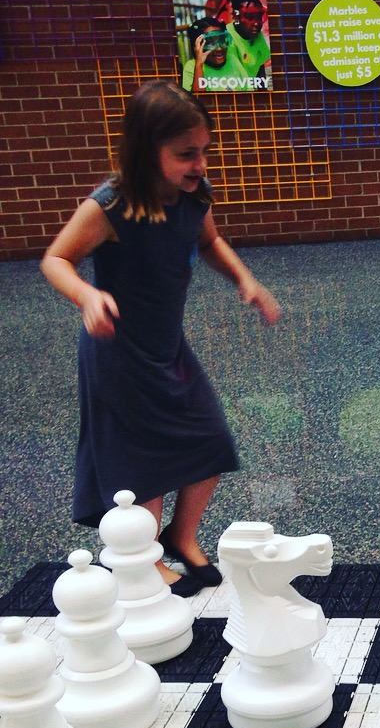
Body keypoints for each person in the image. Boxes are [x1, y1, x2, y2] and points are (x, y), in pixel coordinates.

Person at [40, 80, 281, 597]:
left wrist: (245, 280)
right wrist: (86, 296)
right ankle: (144, 558)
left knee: (210, 439)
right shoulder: (111, 205)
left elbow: (210, 241)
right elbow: (55, 259)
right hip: (118, 353)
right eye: (185, 154)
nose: (200, 164)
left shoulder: (194, 198)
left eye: (204, 152)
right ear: (147, 151)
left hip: (167, 345)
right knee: (143, 464)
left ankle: (181, 535)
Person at [180, 16, 249, 94]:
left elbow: (249, 93)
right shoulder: (191, 67)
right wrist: (199, 65)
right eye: (210, 43)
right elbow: (197, 101)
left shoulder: (233, 60)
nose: (219, 48)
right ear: (197, 46)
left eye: (222, 40)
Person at [227, 0, 271, 86]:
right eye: (250, 17)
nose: (256, 23)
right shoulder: (228, 37)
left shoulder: (257, 35)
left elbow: (260, 65)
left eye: (259, 17)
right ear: (236, 17)